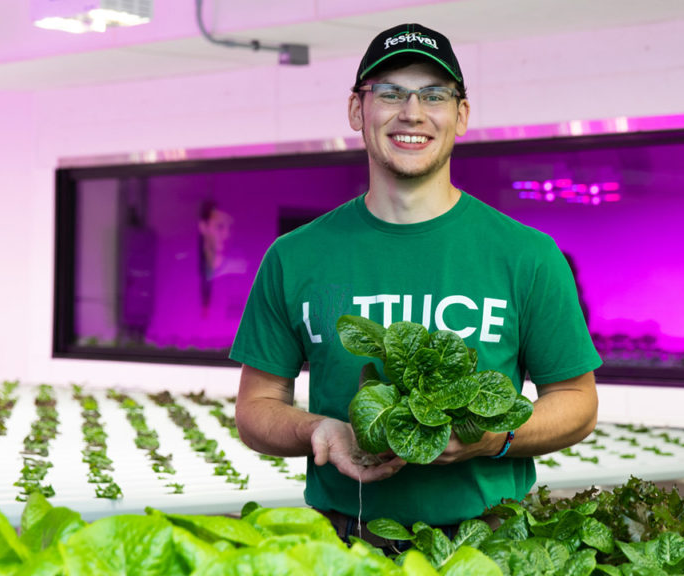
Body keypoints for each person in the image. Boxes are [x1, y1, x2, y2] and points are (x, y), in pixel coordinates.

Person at [230, 23, 601, 545]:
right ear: (358, 110)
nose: (412, 113)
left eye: (434, 95)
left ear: (461, 115)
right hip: (345, 542)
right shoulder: (295, 256)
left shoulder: (527, 255)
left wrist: (490, 438)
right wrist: (318, 430)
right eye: (390, 93)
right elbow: (255, 409)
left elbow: (577, 401)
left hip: (487, 545)